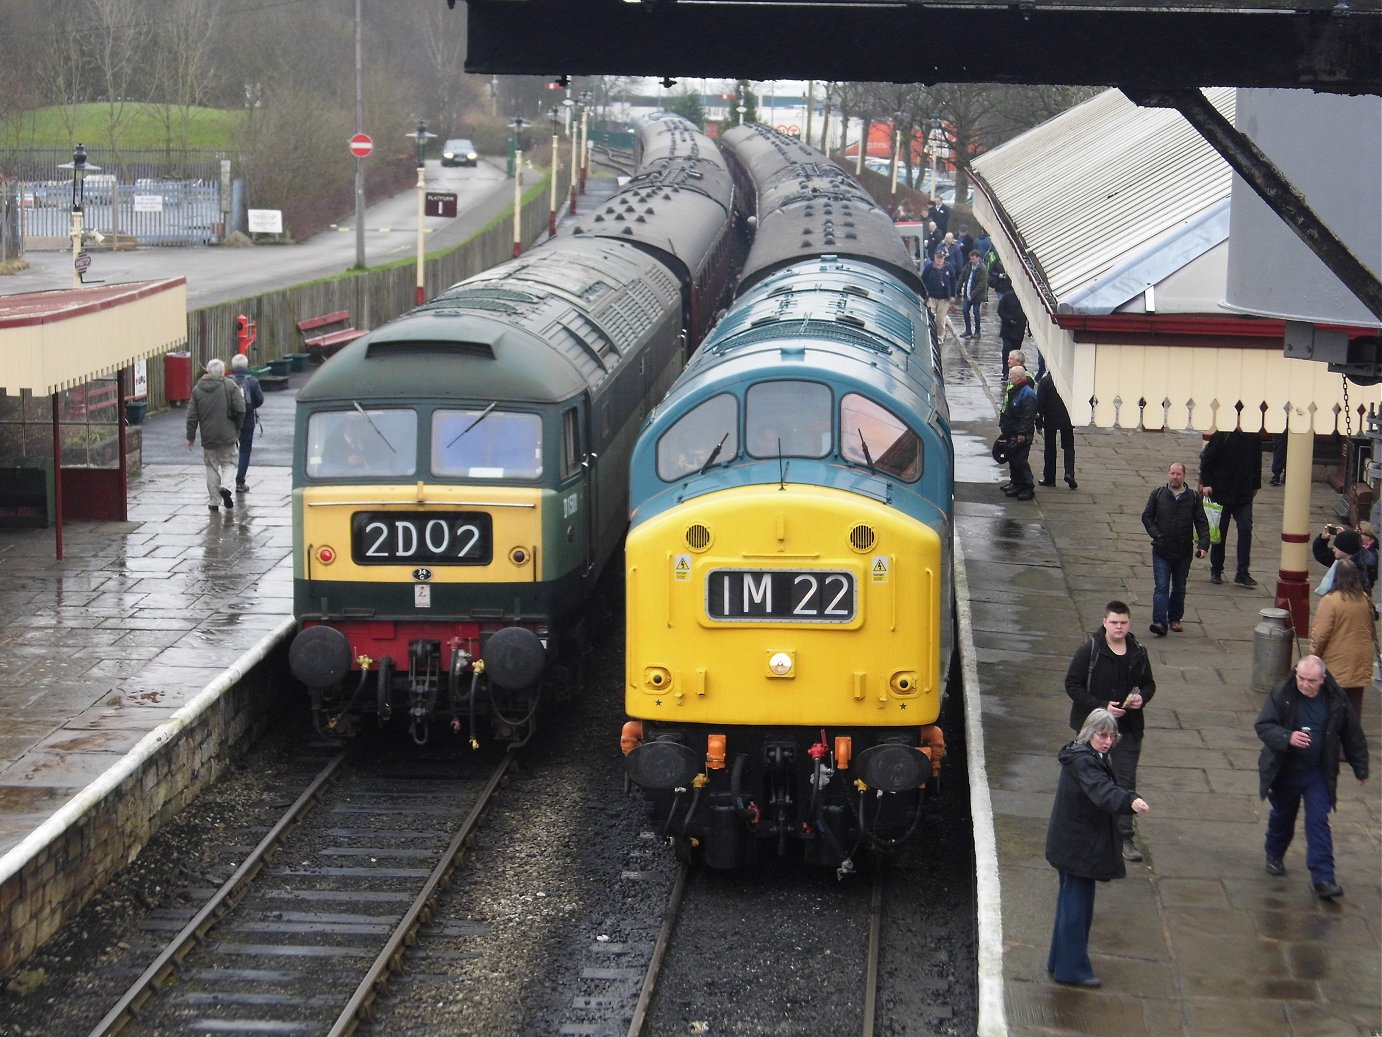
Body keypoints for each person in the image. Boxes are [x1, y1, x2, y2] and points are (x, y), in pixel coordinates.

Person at [1044, 708, 1150, 988]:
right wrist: (1129, 801)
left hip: (1070, 842)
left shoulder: (1082, 755)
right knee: (1078, 909)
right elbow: (1102, 790)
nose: (1107, 741)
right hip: (1079, 846)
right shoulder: (1087, 763)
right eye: (1102, 735)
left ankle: (1059, 961)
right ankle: (1072, 969)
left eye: (1111, 736)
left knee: (1069, 905)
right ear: (1090, 733)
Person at [1255, 655, 1368, 899]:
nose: (1305, 684)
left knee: (1318, 822)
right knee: (1283, 816)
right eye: (1301, 679)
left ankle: (1323, 878)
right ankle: (1274, 854)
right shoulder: (1282, 693)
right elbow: (1264, 726)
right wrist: (1288, 737)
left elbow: (1352, 733)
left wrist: (1361, 767)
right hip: (1286, 770)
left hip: (1317, 772)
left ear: (1322, 680)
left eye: (1311, 681)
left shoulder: (1336, 699)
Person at [1064, 602, 1154, 861]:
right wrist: (1102, 705)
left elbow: (1149, 684)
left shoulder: (1139, 652)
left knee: (1125, 782)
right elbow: (1072, 685)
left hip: (1128, 729)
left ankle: (1124, 837)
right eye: (1114, 622)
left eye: (1123, 623)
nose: (1118, 627)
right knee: (1089, 778)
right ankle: (1087, 831)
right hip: (1094, 729)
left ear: (1129, 624)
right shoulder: (1089, 652)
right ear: (1105, 622)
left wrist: (1142, 698)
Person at [1140, 462, 1210, 636]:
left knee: (1179, 586)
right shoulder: (1158, 495)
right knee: (1162, 586)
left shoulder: (1193, 498)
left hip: (1183, 551)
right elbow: (1147, 517)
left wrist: (1203, 545)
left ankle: (1175, 619)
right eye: (1172, 473)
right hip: (1162, 549)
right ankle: (1159, 622)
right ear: (1168, 474)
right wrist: (1156, 535)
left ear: (1184, 476)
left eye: (1178, 474)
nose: (1174, 477)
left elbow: (1202, 523)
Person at [1309, 560, 1377, 723]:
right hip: (1360, 660)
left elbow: (1320, 635)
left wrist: (1312, 656)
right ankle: (1352, 744)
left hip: (1336, 662)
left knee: (1333, 711)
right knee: (1353, 709)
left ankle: (1337, 747)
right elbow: (1370, 628)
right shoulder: (1364, 599)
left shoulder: (1331, 601)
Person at [1199, 427, 1262, 588]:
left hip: (1243, 493)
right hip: (1221, 492)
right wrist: (1206, 484)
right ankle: (1216, 570)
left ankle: (1242, 573)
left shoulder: (1253, 436)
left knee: (1246, 528)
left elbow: (1257, 462)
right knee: (1220, 533)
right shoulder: (1223, 434)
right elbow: (1207, 460)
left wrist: (1255, 485)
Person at [186, 358, 245, 513]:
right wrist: (237, 429)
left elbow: (192, 416)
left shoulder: (197, 389)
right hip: (227, 434)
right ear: (221, 372)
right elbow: (241, 409)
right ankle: (225, 487)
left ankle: (214, 501)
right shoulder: (229, 385)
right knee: (229, 463)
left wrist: (190, 437)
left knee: (211, 466)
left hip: (208, 436)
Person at [999, 364, 1037, 500]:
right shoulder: (1014, 390)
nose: (1008, 377)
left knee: (1020, 461)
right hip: (1012, 431)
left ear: (1018, 377)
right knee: (1013, 459)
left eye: (1011, 375)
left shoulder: (1028, 394)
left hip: (1022, 434)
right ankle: (1016, 483)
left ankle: (1028, 487)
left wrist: (1022, 433)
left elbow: (1028, 416)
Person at [1035, 369, 1076, 490]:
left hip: (1050, 418)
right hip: (1067, 418)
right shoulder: (1070, 380)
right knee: (1069, 446)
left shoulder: (1046, 381)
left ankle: (1049, 478)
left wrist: (1038, 424)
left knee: (1050, 448)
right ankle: (1069, 473)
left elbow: (1040, 404)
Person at [229, 353, 264, 493]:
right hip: (247, 420)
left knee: (228, 451)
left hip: (230, 420)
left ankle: (225, 480)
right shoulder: (253, 381)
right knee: (245, 450)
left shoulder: (228, 381)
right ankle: (240, 481)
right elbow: (259, 400)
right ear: (246, 365)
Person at [1312, 525, 1377, 594]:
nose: (1334, 549)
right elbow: (1323, 555)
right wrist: (1323, 539)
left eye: (1360, 532)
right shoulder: (1347, 557)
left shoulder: (1360, 568)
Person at [921, 252, 956, 343]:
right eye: (938, 258)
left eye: (941, 258)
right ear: (934, 257)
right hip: (931, 297)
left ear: (944, 258)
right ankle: (930, 336)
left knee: (940, 320)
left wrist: (952, 295)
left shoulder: (948, 267)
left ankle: (940, 338)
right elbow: (923, 280)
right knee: (930, 317)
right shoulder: (929, 268)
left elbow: (953, 281)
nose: (939, 260)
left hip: (944, 298)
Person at [997, 281, 1028, 374]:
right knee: (1007, 349)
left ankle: (1015, 370)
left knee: (1016, 352)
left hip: (1019, 329)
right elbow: (1000, 310)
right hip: (1008, 329)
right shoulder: (1007, 296)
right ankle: (1006, 371)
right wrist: (1008, 319)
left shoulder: (1025, 299)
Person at [959, 250, 990, 340]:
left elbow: (982, 285)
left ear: (978, 257)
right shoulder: (969, 265)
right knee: (965, 310)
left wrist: (972, 295)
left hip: (977, 295)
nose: (971, 260)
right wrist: (958, 289)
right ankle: (968, 330)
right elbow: (962, 276)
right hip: (967, 293)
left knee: (976, 312)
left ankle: (977, 331)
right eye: (970, 258)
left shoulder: (982, 268)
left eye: (973, 259)